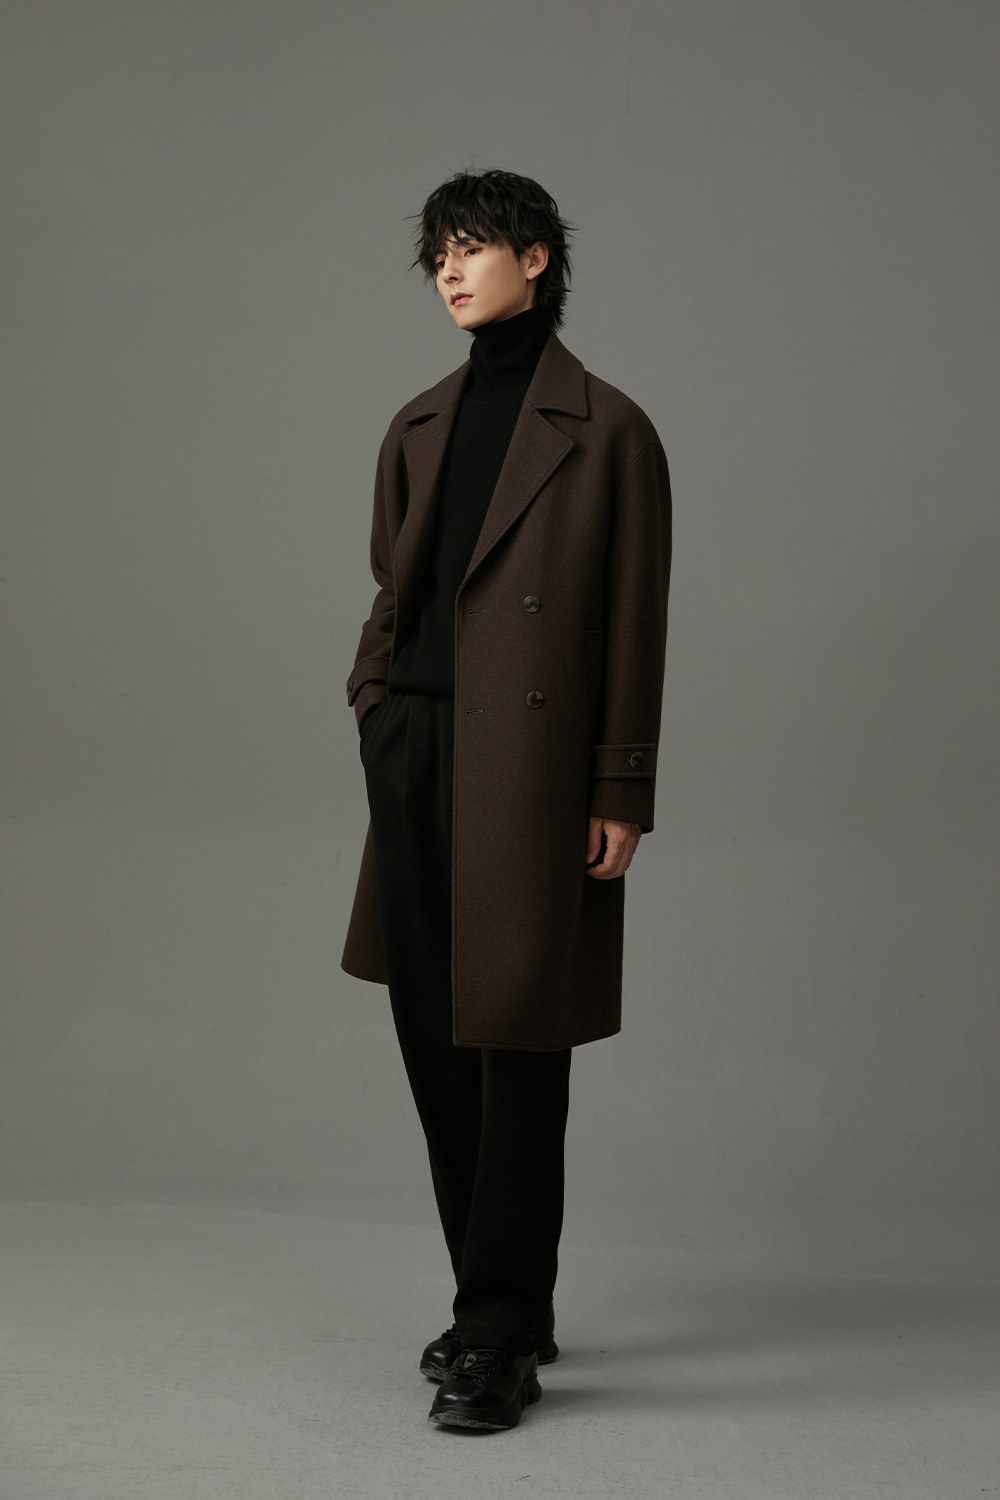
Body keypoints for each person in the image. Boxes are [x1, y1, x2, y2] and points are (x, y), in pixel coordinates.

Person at [341, 167, 672, 1431]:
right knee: (433, 1035)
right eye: (439, 252)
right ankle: (503, 1307)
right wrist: (374, 702)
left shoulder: (610, 429)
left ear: (536, 259)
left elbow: (634, 619)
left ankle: (494, 1332)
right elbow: (393, 586)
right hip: (417, 749)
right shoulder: (418, 422)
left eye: (474, 247)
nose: (450, 269)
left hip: (530, 771)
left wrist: (618, 784)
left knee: (517, 1042)